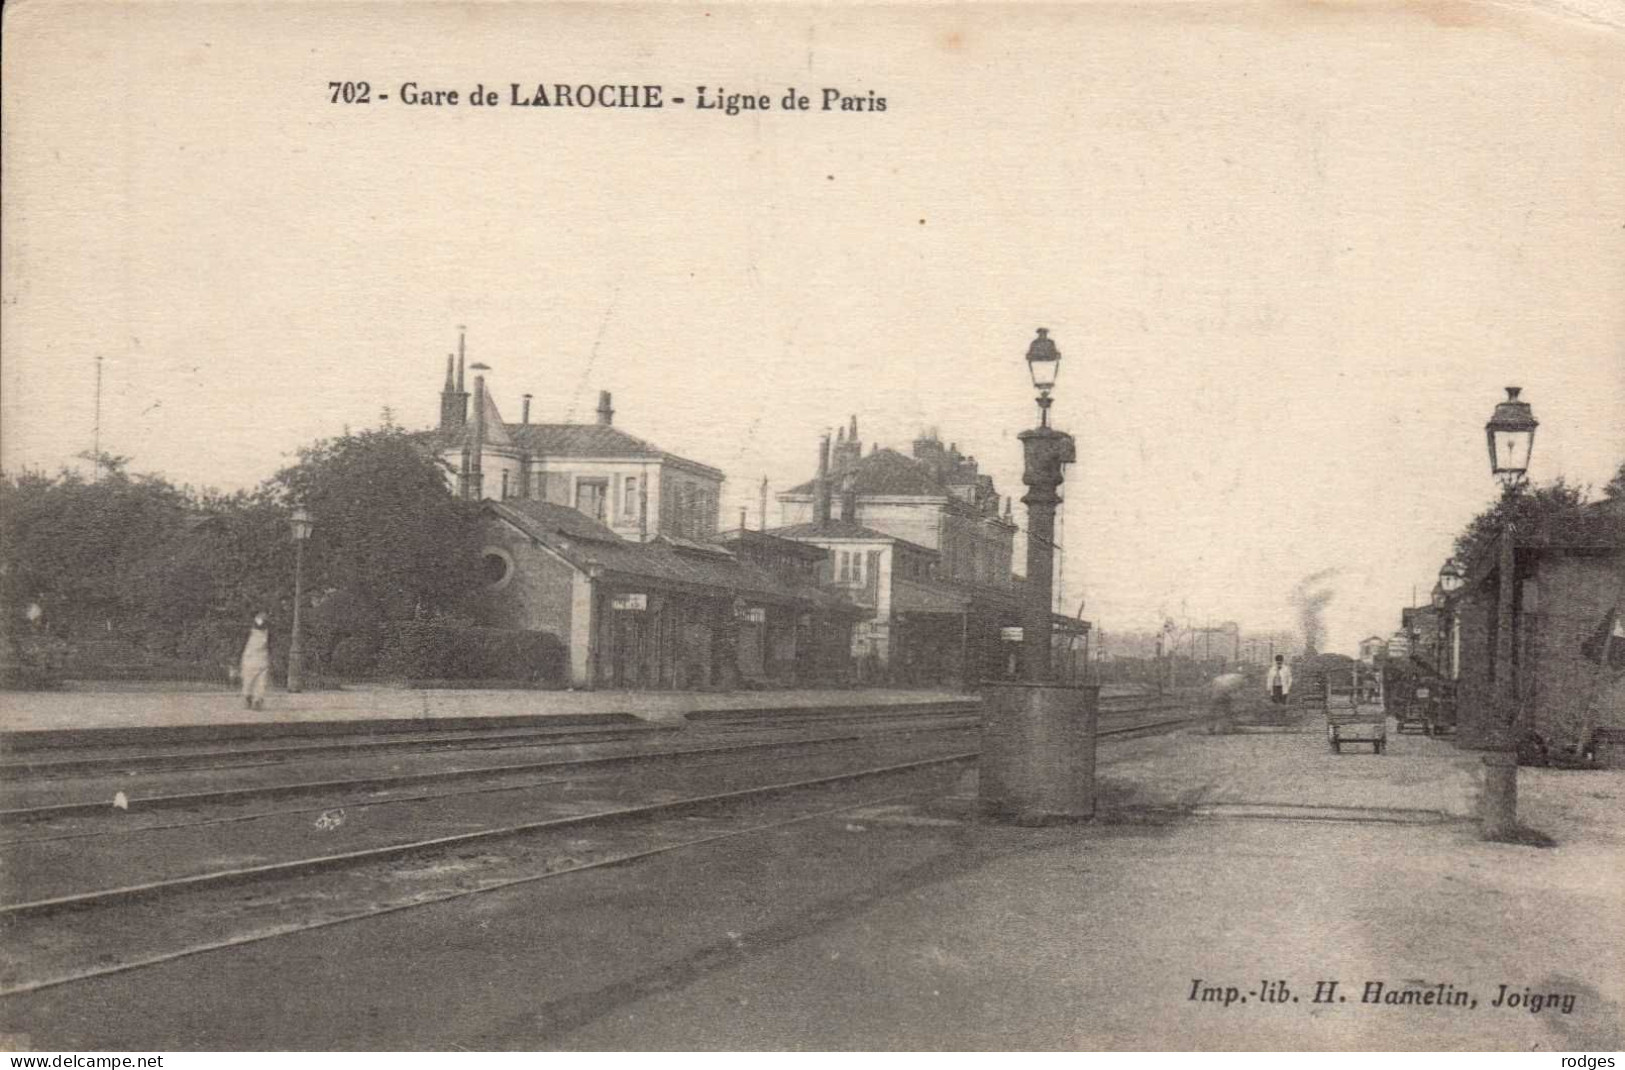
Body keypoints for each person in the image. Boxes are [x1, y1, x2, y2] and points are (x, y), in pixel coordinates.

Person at [240, 612, 271, 711]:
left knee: (249, 680)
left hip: (251, 658)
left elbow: (241, 645)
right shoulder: (268, 634)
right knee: (260, 681)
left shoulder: (248, 633)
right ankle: (256, 699)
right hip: (260, 658)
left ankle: (249, 697)